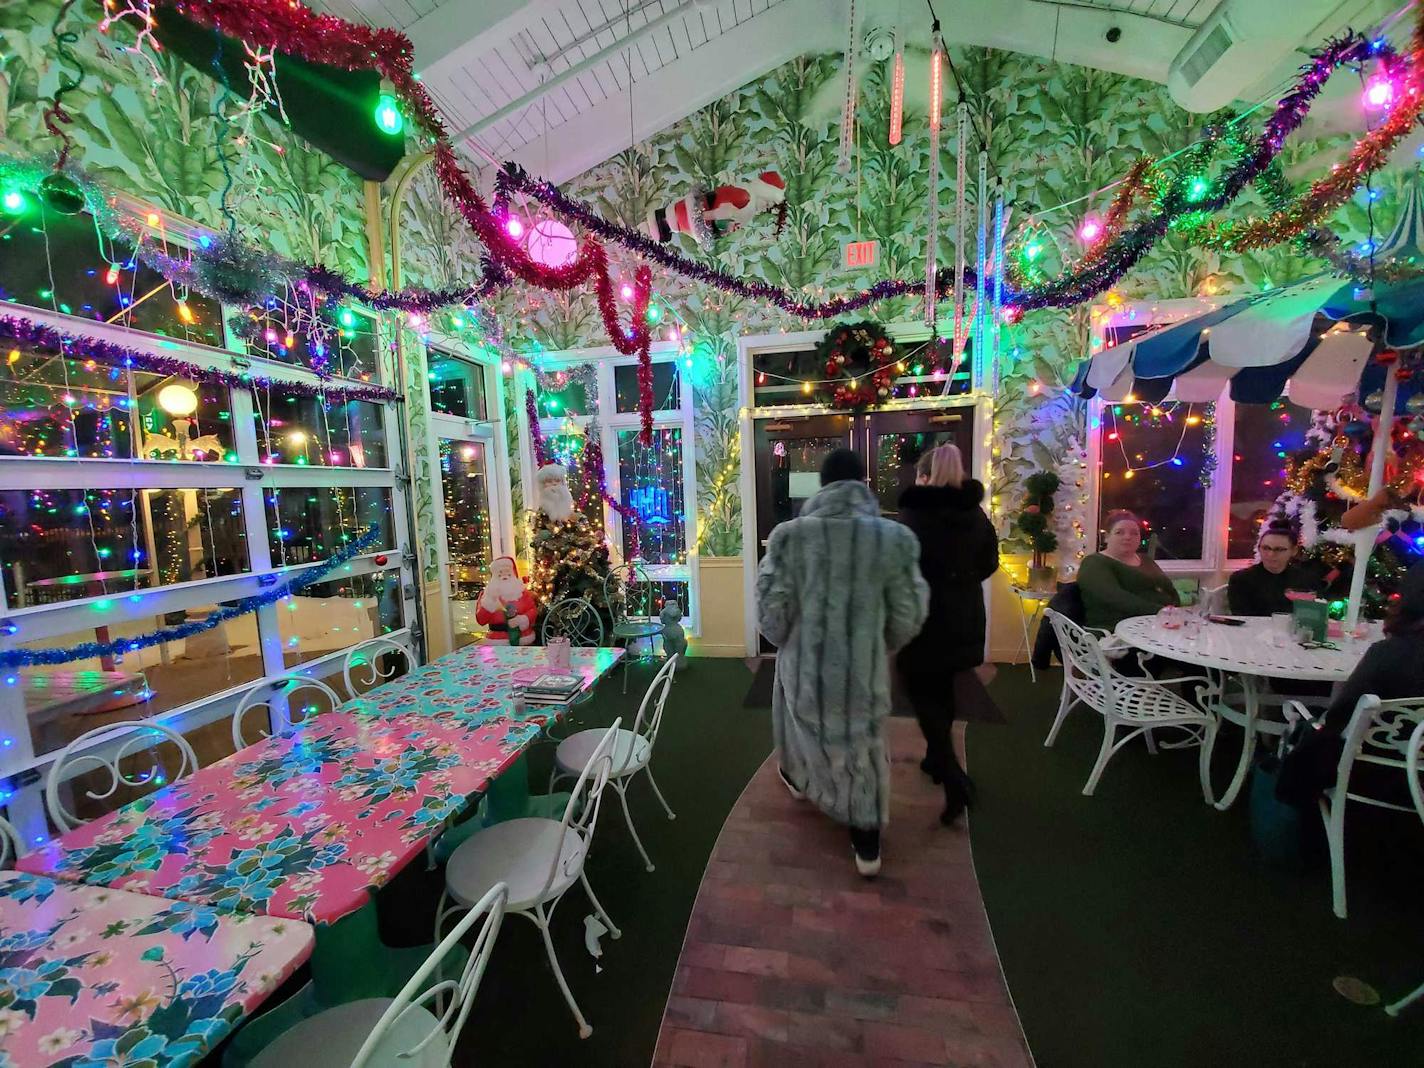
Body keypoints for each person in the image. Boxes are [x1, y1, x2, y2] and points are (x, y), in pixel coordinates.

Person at [756, 448, 929, 877]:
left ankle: (799, 780)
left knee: (802, 725)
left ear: (823, 485)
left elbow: (770, 611)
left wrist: (786, 641)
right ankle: (866, 840)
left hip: (805, 665)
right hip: (863, 667)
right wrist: (877, 643)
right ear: (862, 483)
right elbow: (909, 612)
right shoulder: (895, 538)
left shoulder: (789, 536)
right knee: (863, 744)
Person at [896, 444, 999, 825]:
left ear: (924, 476)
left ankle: (955, 778)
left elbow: (900, 567)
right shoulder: (976, 514)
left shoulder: (913, 515)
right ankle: (935, 760)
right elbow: (990, 562)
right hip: (965, 616)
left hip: (924, 618)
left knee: (919, 691)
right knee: (943, 688)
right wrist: (962, 583)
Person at [1278, 565, 1424, 804]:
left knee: (1312, 733)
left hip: (1379, 774)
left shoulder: (1390, 654)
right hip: (1409, 771)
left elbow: (1340, 718)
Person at [1077, 510, 1178, 631]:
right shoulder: (1094, 563)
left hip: (1162, 625)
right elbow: (1116, 599)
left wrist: (1175, 610)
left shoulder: (1146, 560)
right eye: (1119, 532)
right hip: (1118, 633)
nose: (1128, 537)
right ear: (1107, 537)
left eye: (1134, 533)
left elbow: (1170, 589)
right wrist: (1161, 612)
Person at [1228, 522, 1323, 616]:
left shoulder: (1307, 580)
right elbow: (1242, 617)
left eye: (1279, 549)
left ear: (1294, 551)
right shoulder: (1241, 579)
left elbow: (1312, 615)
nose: (1271, 554)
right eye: (1266, 548)